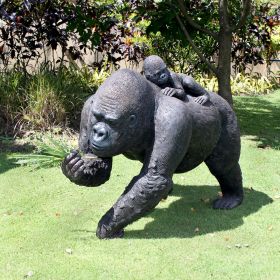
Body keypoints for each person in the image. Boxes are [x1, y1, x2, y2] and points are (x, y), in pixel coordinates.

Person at [143, 55, 210, 104]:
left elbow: (182, 93)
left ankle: (205, 94)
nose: (163, 75)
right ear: (149, 77)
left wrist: (175, 91)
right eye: (157, 74)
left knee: (188, 82)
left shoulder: (172, 75)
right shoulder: (148, 81)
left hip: (182, 84)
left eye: (164, 70)